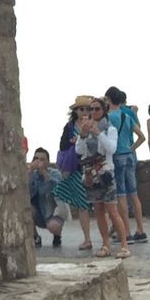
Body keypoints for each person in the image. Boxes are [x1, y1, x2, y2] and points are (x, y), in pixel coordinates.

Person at [75, 98, 130, 258]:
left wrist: (98, 133)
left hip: (105, 173)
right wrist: (83, 135)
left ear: (103, 110)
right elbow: (79, 151)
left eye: (96, 109)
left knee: (112, 210)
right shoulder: (86, 129)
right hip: (91, 175)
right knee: (99, 210)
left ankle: (124, 245)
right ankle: (106, 244)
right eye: (90, 109)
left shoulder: (109, 129)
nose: (92, 112)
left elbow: (111, 148)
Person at [52, 100, 95, 251]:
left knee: (98, 204)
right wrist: (75, 143)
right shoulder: (69, 127)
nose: (84, 111)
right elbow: (63, 146)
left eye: (87, 109)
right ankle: (87, 239)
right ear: (75, 111)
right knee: (82, 205)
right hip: (75, 170)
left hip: (91, 167)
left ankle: (93, 239)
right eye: (81, 109)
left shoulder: (93, 124)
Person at [105, 88, 147, 242]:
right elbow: (141, 137)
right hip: (130, 156)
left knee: (121, 195)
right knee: (134, 194)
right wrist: (131, 149)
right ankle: (140, 230)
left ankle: (126, 232)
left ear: (109, 99)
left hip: (117, 157)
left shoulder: (109, 118)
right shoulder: (126, 116)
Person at [28, 148, 66, 247]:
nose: (39, 161)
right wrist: (30, 172)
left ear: (48, 162)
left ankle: (57, 235)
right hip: (38, 213)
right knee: (27, 210)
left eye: (42, 159)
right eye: (36, 159)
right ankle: (35, 236)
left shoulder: (55, 173)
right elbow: (26, 192)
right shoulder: (32, 174)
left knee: (53, 226)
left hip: (52, 212)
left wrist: (44, 173)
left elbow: (56, 188)